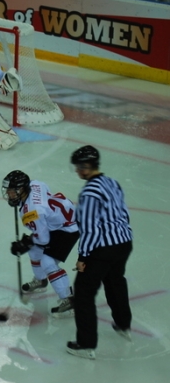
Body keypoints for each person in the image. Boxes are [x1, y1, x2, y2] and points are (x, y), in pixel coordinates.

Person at [66, 145, 133, 359]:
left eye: (78, 167)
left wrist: (83, 257)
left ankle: (86, 344)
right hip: (124, 243)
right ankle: (123, 325)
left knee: (84, 292)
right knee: (115, 281)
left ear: (86, 166)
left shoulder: (89, 192)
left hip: (103, 248)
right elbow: (124, 213)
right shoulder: (112, 183)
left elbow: (90, 228)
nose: (77, 170)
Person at [2, 170, 80, 316]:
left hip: (68, 229)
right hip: (60, 221)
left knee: (47, 262)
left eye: (12, 191)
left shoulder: (31, 212)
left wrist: (26, 242)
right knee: (34, 251)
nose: (8, 194)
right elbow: (45, 192)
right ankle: (41, 280)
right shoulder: (34, 184)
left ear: (21, 190)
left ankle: (69, 299)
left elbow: (43, 239)